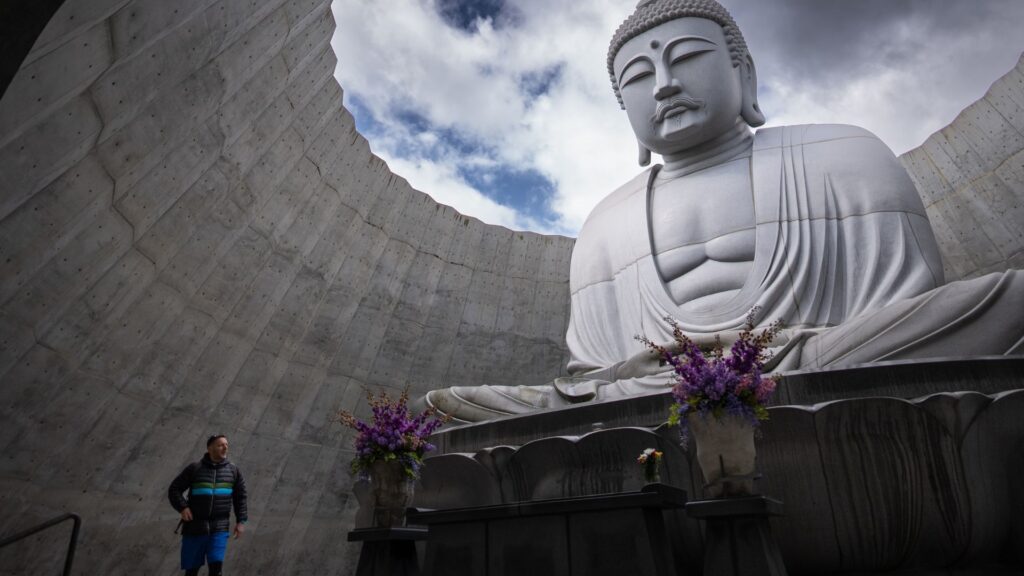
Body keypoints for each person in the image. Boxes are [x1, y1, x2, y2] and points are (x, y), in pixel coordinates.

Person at [424, 0, 1024, 423]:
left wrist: (797, 360)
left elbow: (899, 313)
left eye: (685, 58)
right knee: (553, 403)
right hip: (649, 395)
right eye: (638, 75)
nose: (662, 84)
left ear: (745, 72)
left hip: (826, 365)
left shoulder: (846, 154)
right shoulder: (605, 225)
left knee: (1007, 302)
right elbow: (595, 374)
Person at [168, 435, 248, 576]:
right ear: (209, 448)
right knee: (191, 571)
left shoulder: (233, 471)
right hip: (194, 528)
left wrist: (241, 521)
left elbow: (240, 498)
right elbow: (174, 489)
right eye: (220, 445)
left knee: (216, 570)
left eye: (226, 444)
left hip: (219, 529)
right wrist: (183, 507)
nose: (225, 447)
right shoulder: (195, 468)